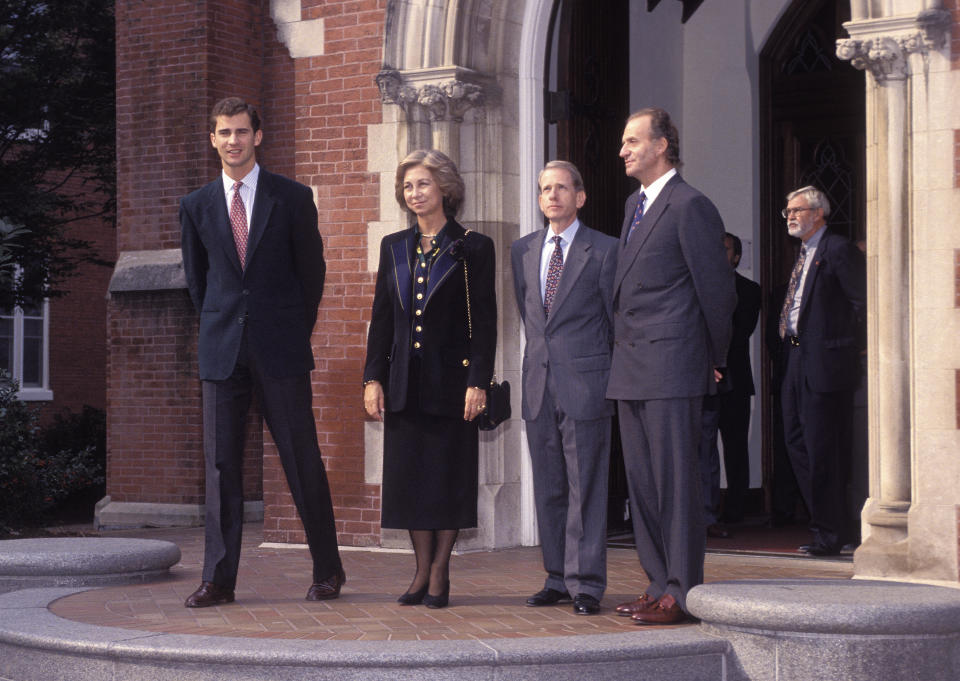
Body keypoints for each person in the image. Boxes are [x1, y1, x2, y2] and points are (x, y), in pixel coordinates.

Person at [180, 97, 344, 607]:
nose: (234, 141)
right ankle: (218, 581)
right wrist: (222, 327)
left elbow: (311, 275)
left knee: (302, 461)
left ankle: (328, 571)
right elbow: (197, 282)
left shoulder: (292, 198)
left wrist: (292, 331)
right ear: (213, 139)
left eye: (242, 131)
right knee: (221, 468)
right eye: (224, 132)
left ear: (258, 135)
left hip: (280, 349)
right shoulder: (196, 205)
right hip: (222, 351)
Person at [607, 107, 735, 625]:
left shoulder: (690, 206)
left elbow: (716, 291)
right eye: (622, 141)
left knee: (676, 485)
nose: (623, 150)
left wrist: (715, 358)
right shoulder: (633, 206)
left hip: (673, 365)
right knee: (644, 486)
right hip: (631, 368)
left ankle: (683, 593)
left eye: (633, 140)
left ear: (662, 145)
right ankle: (659, 582)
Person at [362, 149, 496, 609]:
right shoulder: (393, 246)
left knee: (446, 479)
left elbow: (485, 321)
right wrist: (372, 378)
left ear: (444, 188)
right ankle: (420, 570)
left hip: (453, 387)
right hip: (403, 384)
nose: (414, 193)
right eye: (407, 187)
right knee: (411, 480)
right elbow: (381, 319)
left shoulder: (473, 246)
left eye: (422, 184)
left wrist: (478, 381)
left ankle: (440, 571)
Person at [510, 160, 618, 616]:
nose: (551, 196)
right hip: (539, 383)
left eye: (561, 188)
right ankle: (556, 576)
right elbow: (531, 315)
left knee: (586, 488)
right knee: (550, 488)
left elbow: (615, 322)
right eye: (544, 189)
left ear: (580, 196)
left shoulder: (607, 250)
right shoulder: (523, 251)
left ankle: (588, 583)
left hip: (587, 386)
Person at [777, 185, 865, 556]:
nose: (791, 216)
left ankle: (832, 534)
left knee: (824, 451)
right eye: (788, 212)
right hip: (796, 359)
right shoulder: (803, 254)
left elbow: (863, 302)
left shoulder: (837, 249)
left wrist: (847, 347)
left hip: (827, 366)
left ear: (818, 213)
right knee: (797, 443)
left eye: (797, 210)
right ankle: (826, 526)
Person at [716, 232, 762, 524]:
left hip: (735, 380)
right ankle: (704, 512)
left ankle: (735, 512)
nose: (717, 253)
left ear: (735, 257)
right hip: (701, 381)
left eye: (724, 249)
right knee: (700, 449)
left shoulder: (749, 290)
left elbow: (739, 331)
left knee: (735, 447)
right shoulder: (693, 287)